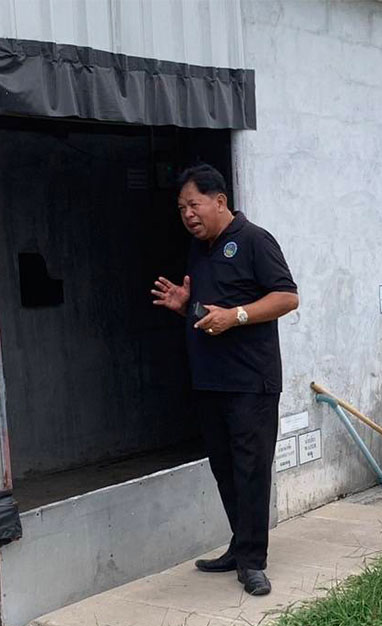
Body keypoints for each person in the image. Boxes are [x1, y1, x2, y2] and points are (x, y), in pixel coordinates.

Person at [151, 164, 299, 597]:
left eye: (194, 204)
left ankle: (253, 562)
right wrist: (187, 305)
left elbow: (287, 297)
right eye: (181, 208)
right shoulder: (200, 250)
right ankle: (239, 546)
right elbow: (211, 309)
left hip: (251, 381)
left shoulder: (255, 240)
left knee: (251, 470)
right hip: (210, 381)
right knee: (225, 469)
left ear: (220, 201)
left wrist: (237, 316)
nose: (188, 214)